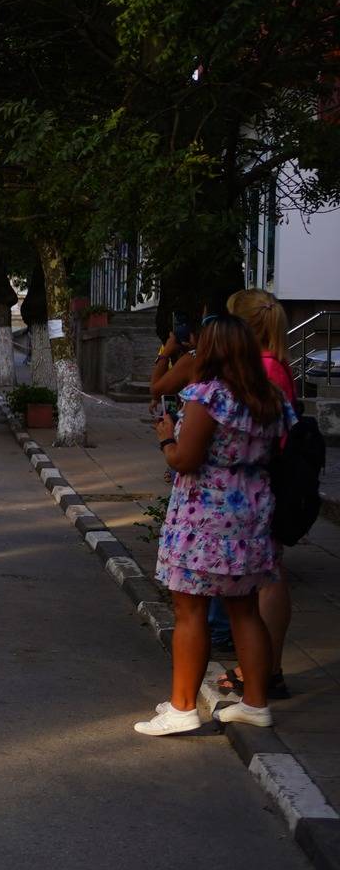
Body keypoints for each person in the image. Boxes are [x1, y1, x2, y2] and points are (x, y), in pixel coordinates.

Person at [135, 315, 290, 736]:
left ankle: (183, 708)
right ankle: (255, 703)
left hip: (205, 518)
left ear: (213, 350)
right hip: (251, 515)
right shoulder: (269, 399)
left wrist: (167, 436)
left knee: (190, 610)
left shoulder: (208, 396)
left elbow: (185, 460)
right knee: (244, 609)